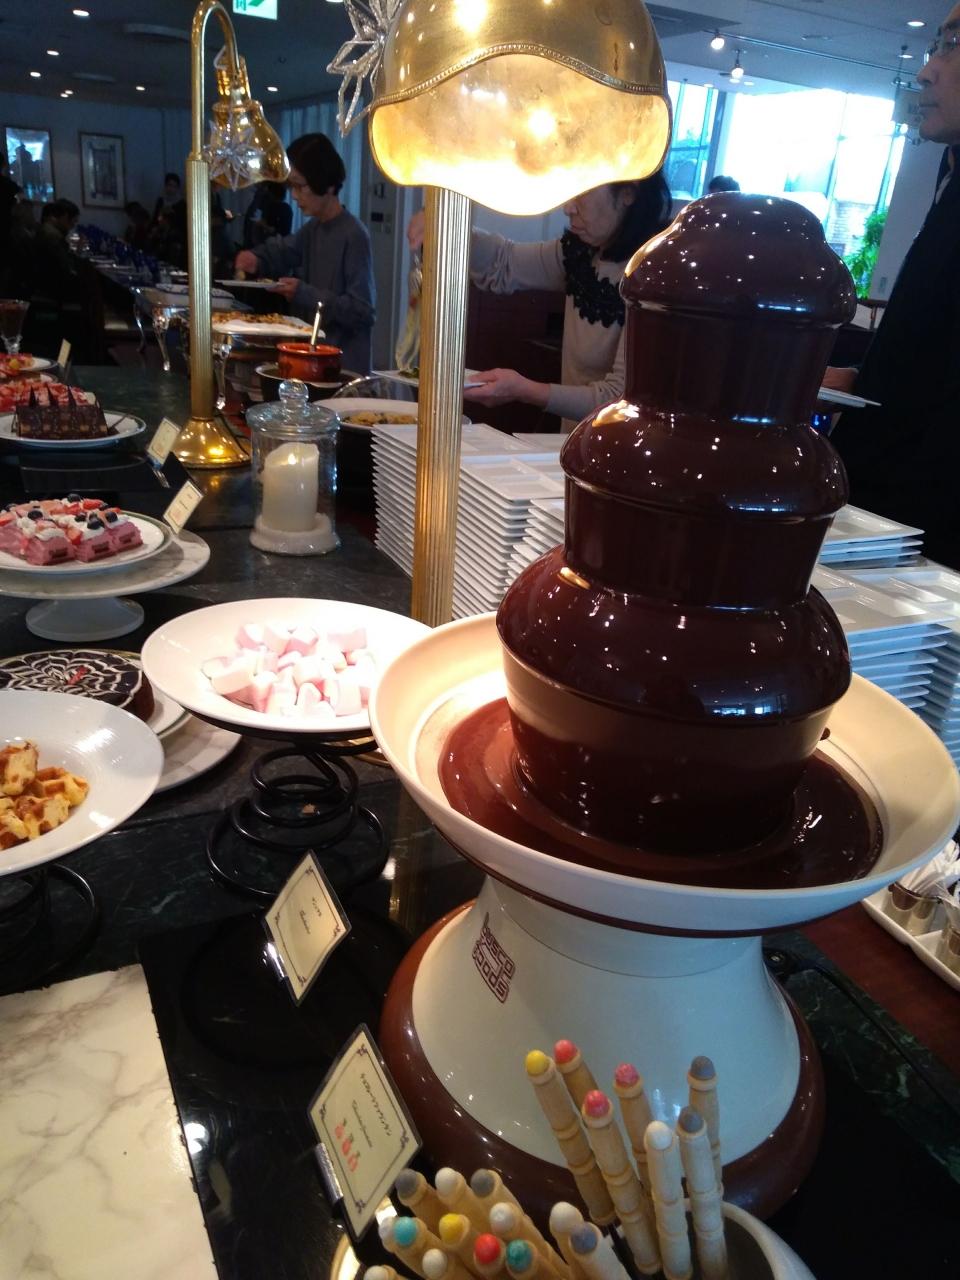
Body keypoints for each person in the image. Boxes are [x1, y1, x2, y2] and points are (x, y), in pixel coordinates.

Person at [826, 1, 960, 569]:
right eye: (935, 46)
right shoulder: (949, 177)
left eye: (952, 45)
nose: (926, 71)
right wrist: (862, 379)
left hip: (920, 550)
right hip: (883, 525)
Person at [407, 173, 673, 430]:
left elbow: (619, 399)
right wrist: (444, 225)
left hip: (619, 450)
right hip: (572, 443)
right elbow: (503, 262)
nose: (568, 208)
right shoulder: (581, 253)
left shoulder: (657, 275)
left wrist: (524, 390)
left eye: (582, 192)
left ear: (627, 194)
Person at [234, 133, 375, 373]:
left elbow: (362, 312)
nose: (294, 195)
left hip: (343, 369)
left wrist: (304, 293)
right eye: (292, 186)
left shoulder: (354, 234)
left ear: (327, 185)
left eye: (300, 186)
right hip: (314, 361)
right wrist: (256, 258)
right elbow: (284, 250)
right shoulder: (313, 228)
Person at [243, 181, 292, 248]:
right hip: (261, 245)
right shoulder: (263, 203)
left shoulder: (283, 208)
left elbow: (282, 233)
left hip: (268, 247)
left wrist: (265, 225)